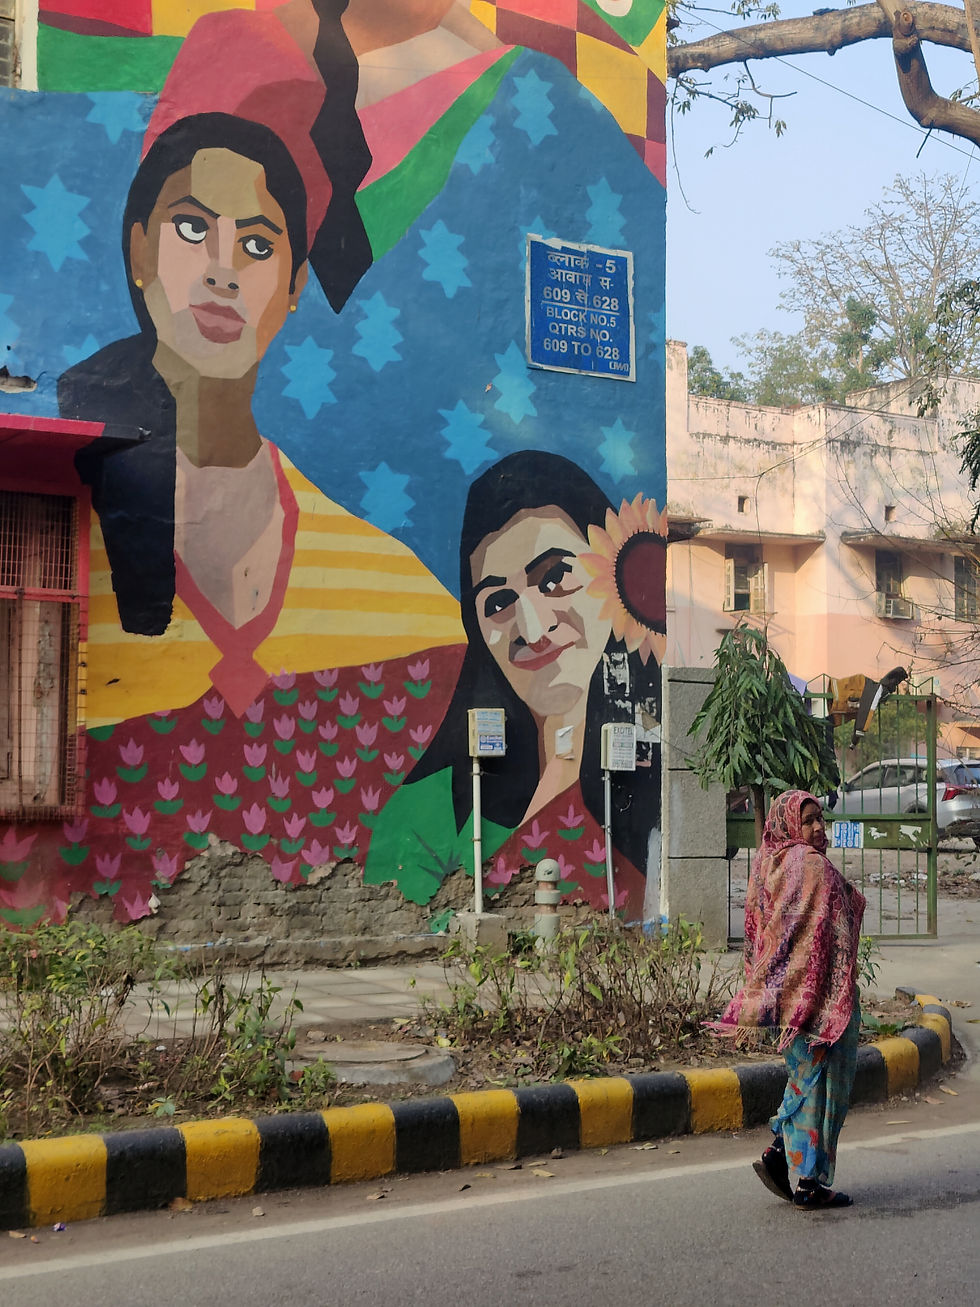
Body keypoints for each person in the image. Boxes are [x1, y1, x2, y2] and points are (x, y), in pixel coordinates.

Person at [58, 3, 464, 725]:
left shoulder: (402, 597)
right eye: (192, 228)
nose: (223, 270)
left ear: (295, 287)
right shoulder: (60, 533)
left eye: (256, 244)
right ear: (139, 250)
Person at [364, 450, 666, 911]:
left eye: (554, 577)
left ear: (614, 572)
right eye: (498, 601)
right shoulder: (428, 813)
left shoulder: (659, 788)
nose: (532, 628)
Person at [712, 789, 866, 1210]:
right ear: (791, 824)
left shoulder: (767, 862)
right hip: (821, 997)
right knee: (824, 1087)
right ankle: (810, 1183)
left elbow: (758, 928)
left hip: (784, 996)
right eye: (809, 820)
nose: (818, 828)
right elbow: (844, 910)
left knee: (803, 1079)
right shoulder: (813, 865)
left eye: (820, 819)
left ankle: (778, 1152)